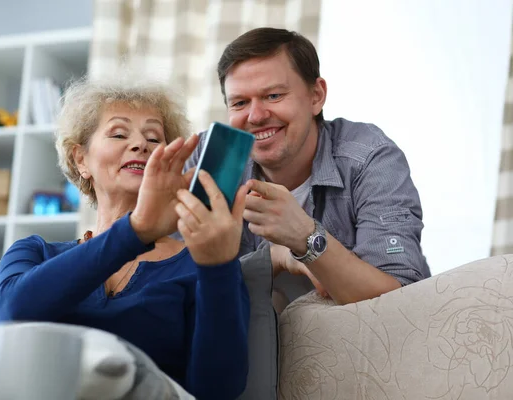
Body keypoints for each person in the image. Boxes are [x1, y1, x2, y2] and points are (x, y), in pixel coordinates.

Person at [0, 74, 250, 400]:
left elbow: (217, 391)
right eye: (118, 133)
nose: (140, 144)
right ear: (80, 159)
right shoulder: (34, 252)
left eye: (154, 139)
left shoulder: (202, 262)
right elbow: (14, 313)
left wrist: (217, 268)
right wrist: (136, 230)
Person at [184, 27, 431, 306]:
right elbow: (173, 288)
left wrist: (306, 236)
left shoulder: (370, 157)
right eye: (240, 102)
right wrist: (271, 259)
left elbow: (401, 300)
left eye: (274, 96)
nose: (256, 116)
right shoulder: (208, 159)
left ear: (316, 96)